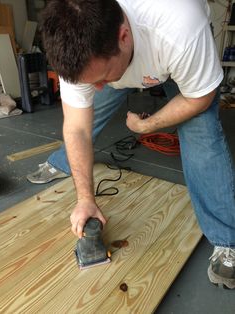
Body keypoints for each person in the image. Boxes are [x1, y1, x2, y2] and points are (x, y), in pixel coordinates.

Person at [27, 0, 235, 289]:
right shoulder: (73, 35)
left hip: (170, 52)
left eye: (100, 78)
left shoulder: (181, 28)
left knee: (202, 133)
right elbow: (77, 127)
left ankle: (228, 241)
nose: (97, 88)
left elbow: (199, 98)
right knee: (88, 110)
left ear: (123, 36)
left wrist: (146, 125)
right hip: (118, 56)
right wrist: (85, 198)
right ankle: (64, 163)